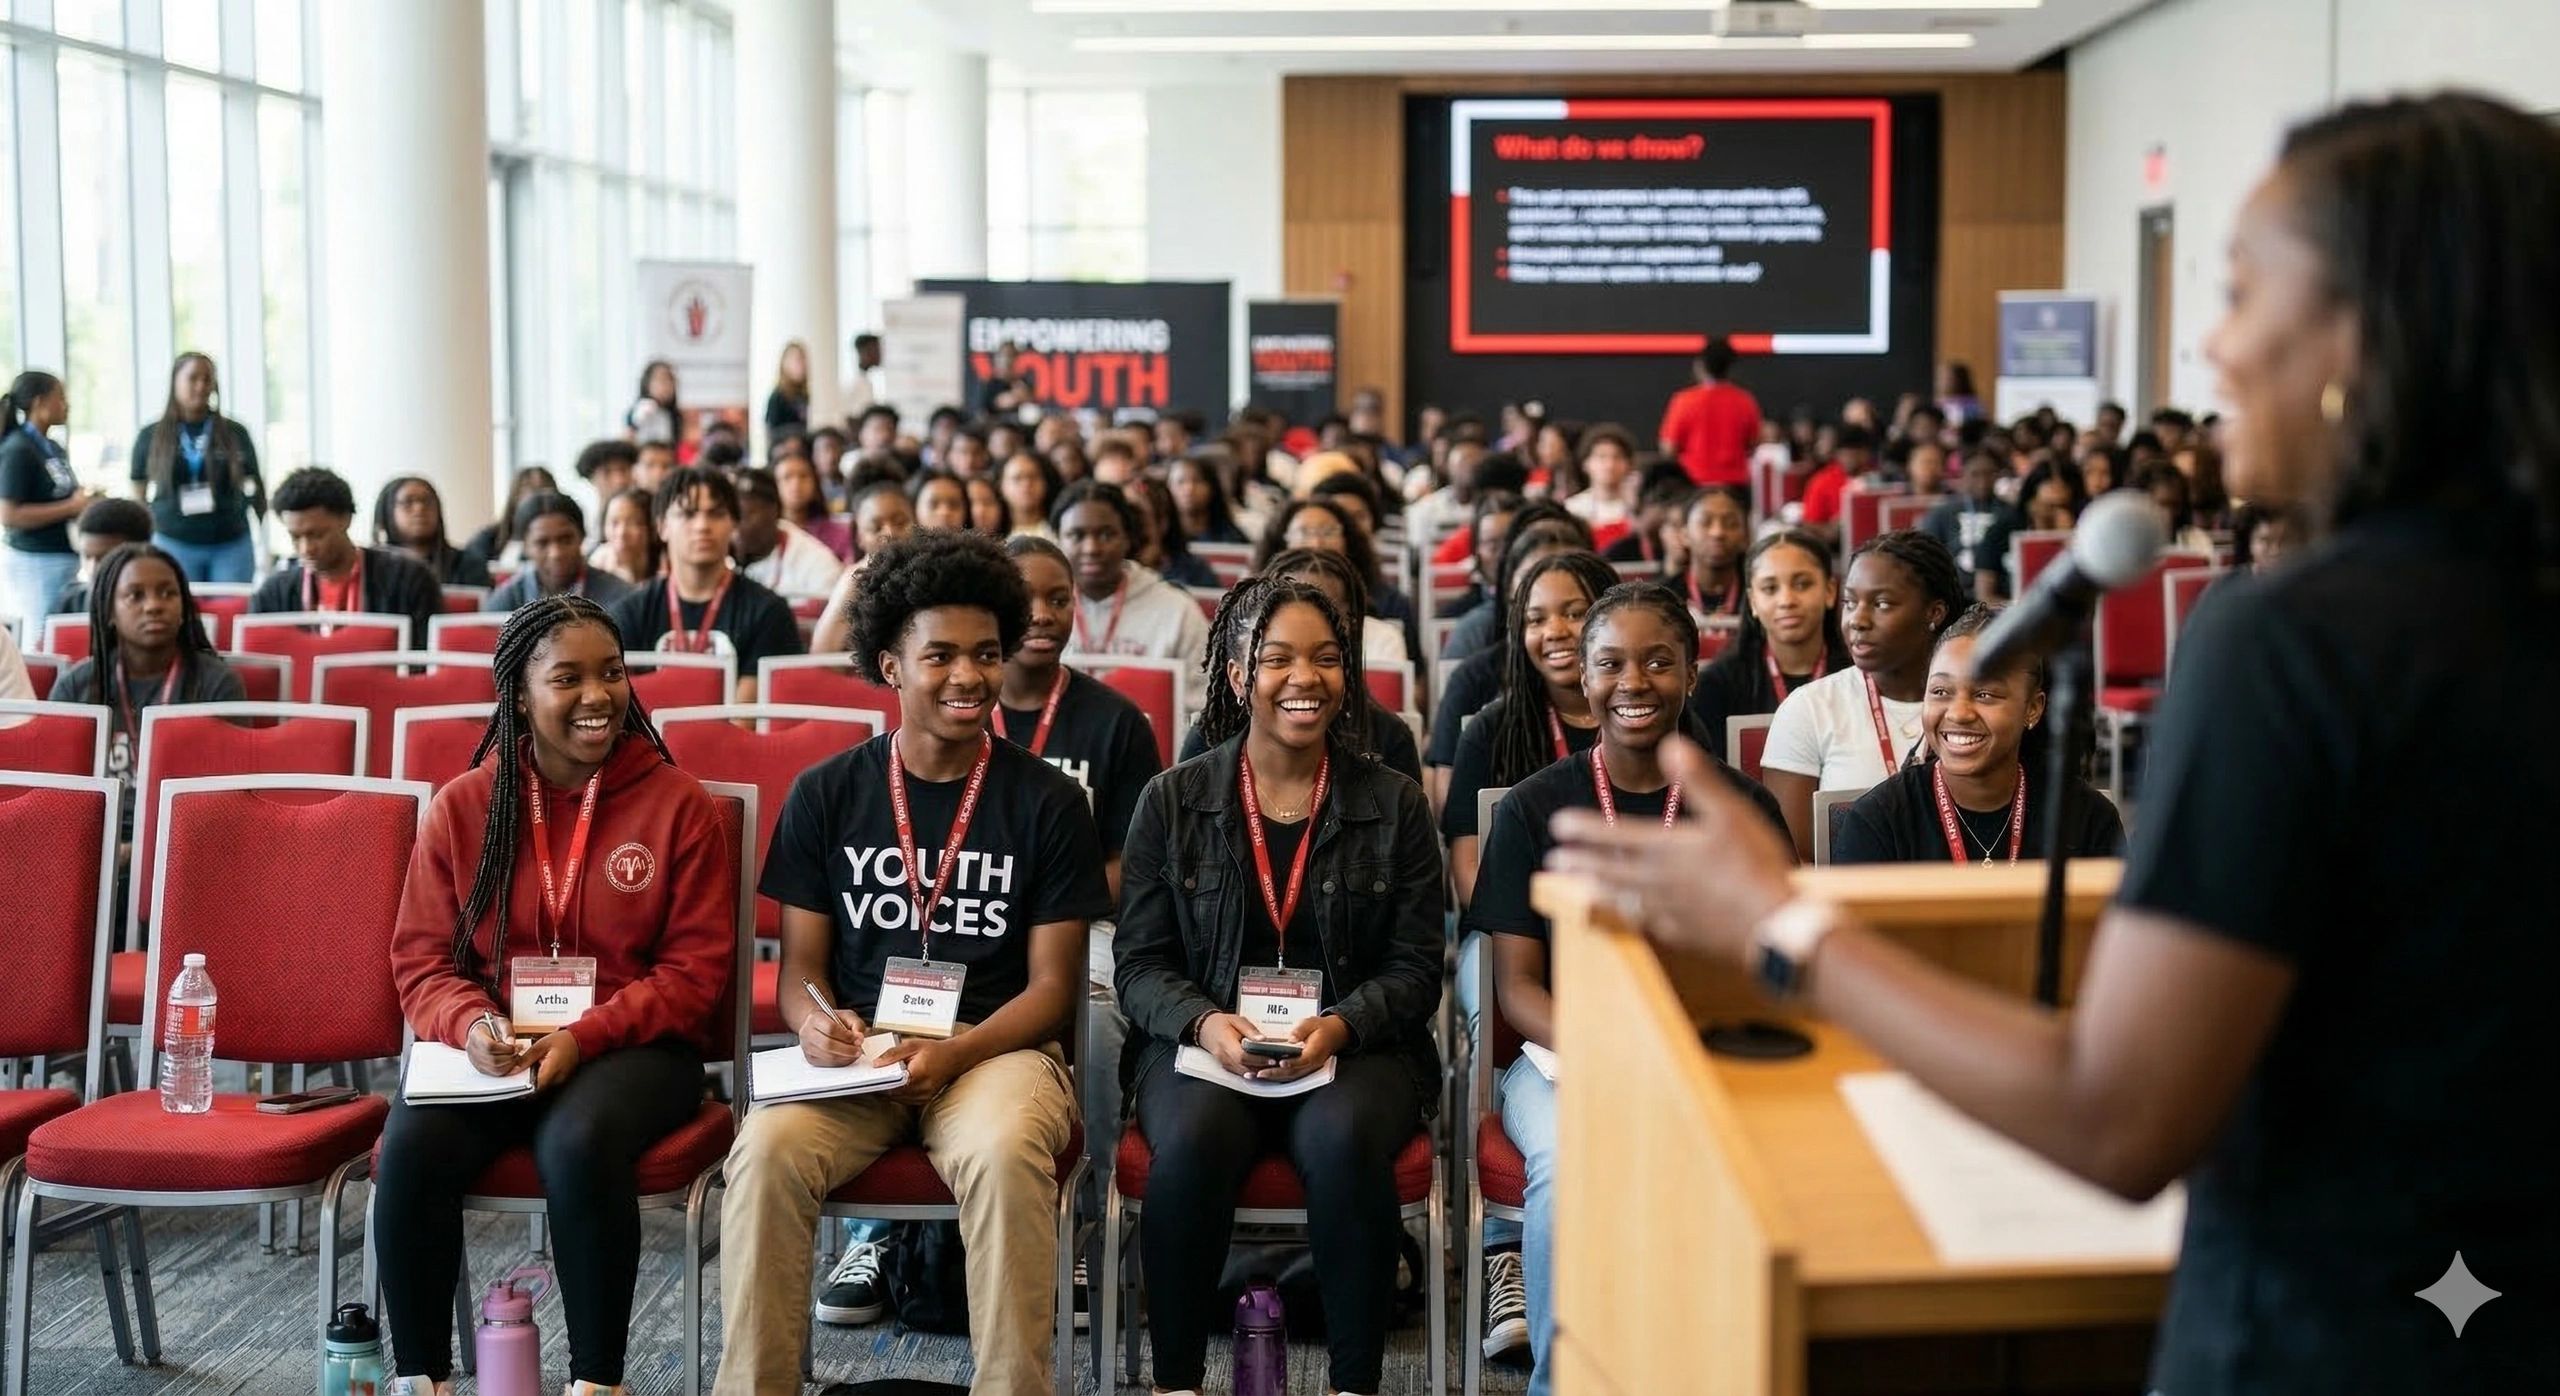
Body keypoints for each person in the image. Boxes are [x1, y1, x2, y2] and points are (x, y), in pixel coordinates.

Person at [1555, 90, 2560, 1395]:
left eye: (2245, 292)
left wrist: (1781, 923)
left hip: (2339, 1339)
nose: (2210, 347)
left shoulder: (2294, 646)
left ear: (2367, 335)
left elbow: (2120, 1118)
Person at [715, 530, 1106, 1396]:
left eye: (985, 655)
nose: (968, 676)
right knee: (765, 1151)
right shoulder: (827, 793)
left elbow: (1053, 989)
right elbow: (801, 970)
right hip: (858, 1060)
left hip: (997, 1051)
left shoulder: (1048, 801)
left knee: (1007, 1156)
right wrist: (818, 1023)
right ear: (889, 663)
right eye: (940, 656)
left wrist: (954, 1053)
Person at [376, 596, 734, 1396]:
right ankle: (419, 1379)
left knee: (576, 1143)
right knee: (410, 1148)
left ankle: (597, 1382)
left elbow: (693, 975)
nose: (598, 695)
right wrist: (469, 1025)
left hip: (641, 1048)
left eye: (611, 673)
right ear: (519, 696)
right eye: (567, 677)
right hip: (502, 1045)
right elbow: (422, 963)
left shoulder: (677, 804)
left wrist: (589, 1035)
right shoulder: (467, 805)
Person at [1114, 573, 1443, 1396]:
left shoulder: (1393, 803)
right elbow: (1140, 965)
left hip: (1358, 1048)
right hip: (1205, 1045)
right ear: (1237, 675)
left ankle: (1353, 1382)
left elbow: (1414, 969)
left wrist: (1334, 1026)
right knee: (1189, 1146)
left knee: (1339, 1141)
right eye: (1280, 659)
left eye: (1328, 660)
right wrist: (1206, 1024)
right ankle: (1177, 1382)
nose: (1306, 678)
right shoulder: (1173, 798)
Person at [1468, 582, 1784, 1391]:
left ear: (1691, 671)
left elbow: (1773, 970)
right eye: (1611, 664)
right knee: (1575, 1161)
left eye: (1658, 663)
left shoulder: (1736, 806)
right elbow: (1518, 989)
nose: (1633, 683)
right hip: (1566, 1061)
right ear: (1583, 671)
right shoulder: (1537, 808)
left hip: (1711, 1053)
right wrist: (1622, 1050)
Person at [1832, 604, 2123, 865]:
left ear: (2032, 709)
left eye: (1984, 694)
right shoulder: (1879, 821)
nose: (1958, 713)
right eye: (1940, 692)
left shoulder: (2086, 820)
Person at [1757, 530, 1966, 862]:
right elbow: (1795, 861)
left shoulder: (1974, 710)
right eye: (1850, 603)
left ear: (1934, 612)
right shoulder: (1808, 708)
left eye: (1881, 604)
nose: (1857, 620)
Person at [1443, 551, 1619, 907]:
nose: (1554, 631)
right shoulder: (1489, 732)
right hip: (1515, 926)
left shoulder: (1652, 721)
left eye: (1574, 614)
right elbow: (1467, 869)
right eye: (1536, 620)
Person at [1178, 547, 1426, 787]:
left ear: (1348, 627)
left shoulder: (1389, 736)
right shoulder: (1210, 734)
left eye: (1323, 608)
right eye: (1277, 659)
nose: (1304, 678)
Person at [50, 543, 244, 798]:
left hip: (185, 831)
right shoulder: (75, 687)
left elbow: (227, 795)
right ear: (109, 611)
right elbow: (57, 792)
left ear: (184, 607)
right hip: (98, 833)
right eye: (135, 595)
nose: (153, 605)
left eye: (167, 593)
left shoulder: (218, 683)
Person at [604, 467, 803, 702]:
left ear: (734, 524)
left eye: (716, 514)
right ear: (661, 527)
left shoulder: (769, 611)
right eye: (688, 514)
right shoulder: (629, 614)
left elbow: (746, 722)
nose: (702, 526)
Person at [1687, 529, 1849, 760]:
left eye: (1802, 585)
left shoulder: (1859, 677)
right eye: (1770, 588)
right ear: (1753, 601)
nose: (1787, 601)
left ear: (1830, 591)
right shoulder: (1717, 686)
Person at [1052, 481, 1212, 714]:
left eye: (1106, 534)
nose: (1091, 548)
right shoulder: (1039, 612)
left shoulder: (1178, 611)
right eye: (1076, 535)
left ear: (1128, 538)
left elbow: (1201, 708)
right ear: (1057, 540)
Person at [251, 467, 443, 644]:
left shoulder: (408, 580)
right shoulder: (273, 593)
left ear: (346, 519)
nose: (305, 548)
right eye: (295, 537)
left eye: (317, 535)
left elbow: (425, 661)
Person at [129, 352, 264, 584]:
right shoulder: (151, 435)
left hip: (230, 542)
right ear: (175, 382)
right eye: (192, 378)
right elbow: (138, 488)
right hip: (173, 540)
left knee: (230, 611)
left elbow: (255, 483)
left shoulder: (235, 432)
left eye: (207, 379)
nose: (201, 386)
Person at [1, 370, 95, 626]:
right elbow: (8, 514)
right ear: (39, 403)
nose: (67, 405)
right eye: (60, 397)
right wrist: (71, 506)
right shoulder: (17, 449)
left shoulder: (52, 447)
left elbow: (60, 493)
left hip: (63, 556)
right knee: (41, 634)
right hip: (36, 561)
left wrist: (82, 501)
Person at [482, 494, 632, 611]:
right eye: (542, 543)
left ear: (582, 536)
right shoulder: (503, 602)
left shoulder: (620, 597)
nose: (556, 553)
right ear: (526, 547)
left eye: (566, 539)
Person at [1923, 447, 2028, 601]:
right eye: (1975, 474)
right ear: (1963, 476)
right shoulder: (1943, 513)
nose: (1982, 480)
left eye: (1989, 474)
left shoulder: (2010, 514)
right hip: (1954, 593)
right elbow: (1928, 556)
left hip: (1998, 591)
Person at [1657, 335, 1762, 488]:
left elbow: (1668, 448)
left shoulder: (1684, 401)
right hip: (1735, 486)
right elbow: (1753, 444)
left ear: (1700, 366)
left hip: (1693, 485)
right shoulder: (1746, 401)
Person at [729, 466, 844, 599]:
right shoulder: (715, 555)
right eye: (726, 514)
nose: (733, 523)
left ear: (774, 511)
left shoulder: (819, 567)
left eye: (745, 514)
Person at [372, 476, 495, 588]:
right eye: (408, 502)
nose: (419, 509)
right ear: (387, 513)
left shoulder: (468, 564)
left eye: (427, 501)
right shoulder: (372, 568)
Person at [49, 496, 158, 616]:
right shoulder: (70, 604)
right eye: (87, 557)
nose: (93, 568)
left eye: (106, 558)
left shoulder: (161, 607)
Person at [462, 466, 562, 571]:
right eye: (529, 490)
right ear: (515, 498)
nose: (537, 500)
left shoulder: (562, 541)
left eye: (543, 491)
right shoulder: (488, 538)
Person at [1676, 485, 1751, 622]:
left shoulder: (1758, 594)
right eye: (1705, 522)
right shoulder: (1666, 596)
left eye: (1731, 523)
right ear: (1684, 535)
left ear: (1746, 536)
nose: (1718, 532)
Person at [1560, 423, 1639, 550]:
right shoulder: (1572, 509)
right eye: (1601, 457)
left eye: (1617, 457)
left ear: (1629, 465)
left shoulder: (1638, 509)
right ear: (1586, 463)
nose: (1610, 465)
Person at [775, 452, 852, 561]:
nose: (796, 483)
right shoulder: (768, 534)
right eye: (787, 477)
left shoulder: (839, 533)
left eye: (803, 476)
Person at [1166, 453, 1248, 546]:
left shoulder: (1232, 539)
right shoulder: (1160, 539)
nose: (1189, 488)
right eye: (1180, 482)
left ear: (1211, 488)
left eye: (1197, 481)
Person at [589, 486, 662, 587]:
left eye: (633, 523)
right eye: (614, 523)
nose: (621, 533)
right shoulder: (597, 567)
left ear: (652, 528)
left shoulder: (666, 569)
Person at [998, 451, 1062, 541]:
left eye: (1033, 477)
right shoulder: (993, 537)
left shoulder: (1061, 531)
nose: (1027, 484)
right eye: (1017, 478)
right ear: (1001, 486)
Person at [573, 439, 639, 515]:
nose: (619, 480)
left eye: (623, 470)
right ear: (591, 478)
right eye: (607, 472)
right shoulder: (584, 517)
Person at [627, 359, 681, 446]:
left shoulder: (673, 414)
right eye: (661, 380)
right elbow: (629, 434)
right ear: (647, 383)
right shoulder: (643, 408)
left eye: (671, 380)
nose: (667, 385)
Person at [765, 339, 812, 440]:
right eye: (797, 360)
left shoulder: (802, 395)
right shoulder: (777, 397)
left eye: (803, 360)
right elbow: (772, 433)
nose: (802, 365)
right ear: (785, 364)